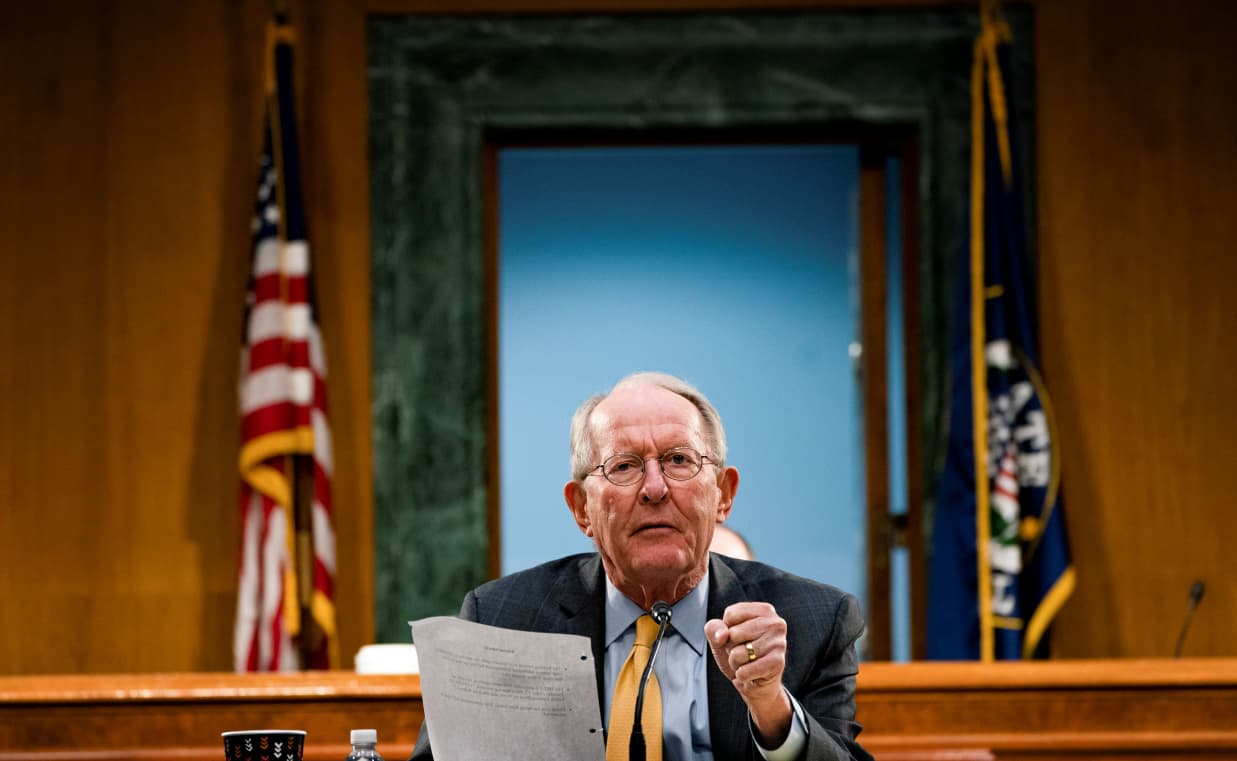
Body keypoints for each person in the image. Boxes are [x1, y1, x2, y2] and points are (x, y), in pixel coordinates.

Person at [410, 372, 872, 761]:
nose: (654, 488)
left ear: (723, 495)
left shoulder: (814, 621)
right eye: (625, 466)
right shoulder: (503, 620)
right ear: (581, 509)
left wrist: (770, 705)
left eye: (678, 460)